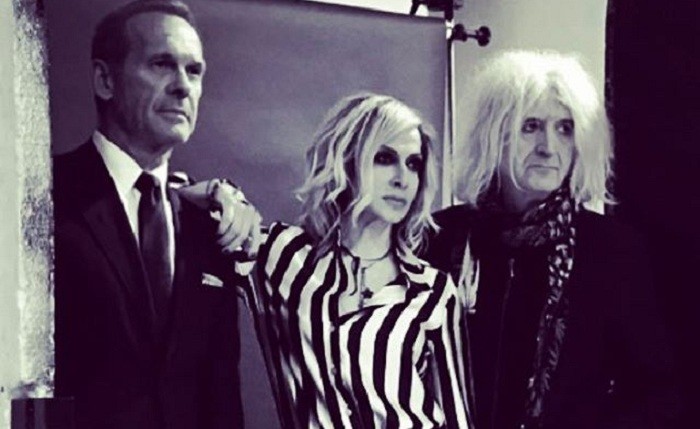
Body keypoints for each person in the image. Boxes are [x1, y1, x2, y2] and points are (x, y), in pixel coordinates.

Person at [423, 50, 679, 428]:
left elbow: (657, 393)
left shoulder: (612, 250)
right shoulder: (441, 237)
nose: (548, 147)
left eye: (565, 128)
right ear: (492, 134)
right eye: (530, 126)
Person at [206, 92, 472, 428]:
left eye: (413, 164)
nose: (402, 179)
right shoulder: (282, 257)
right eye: (384, 158)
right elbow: (174, 210)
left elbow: (458, 416)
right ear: (346, 162)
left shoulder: (433, 291)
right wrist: (218, 192)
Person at [52, 1, 259, 427]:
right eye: (162, 64)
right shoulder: (45, 198)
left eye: (194, 71)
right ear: (105, 80)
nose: (183, 86)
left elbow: (221, 395)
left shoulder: (210, 226)